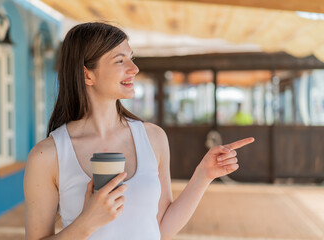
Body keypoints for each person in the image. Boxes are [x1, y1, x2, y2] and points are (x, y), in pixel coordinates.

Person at [24, 22, 255, 240]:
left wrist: (204, 175)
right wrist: (88, 222)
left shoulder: (153, 138)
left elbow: (161, 228)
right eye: (119, 60)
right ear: (87, 75)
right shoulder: (47, 156)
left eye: (131, 59)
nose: (134, 69)